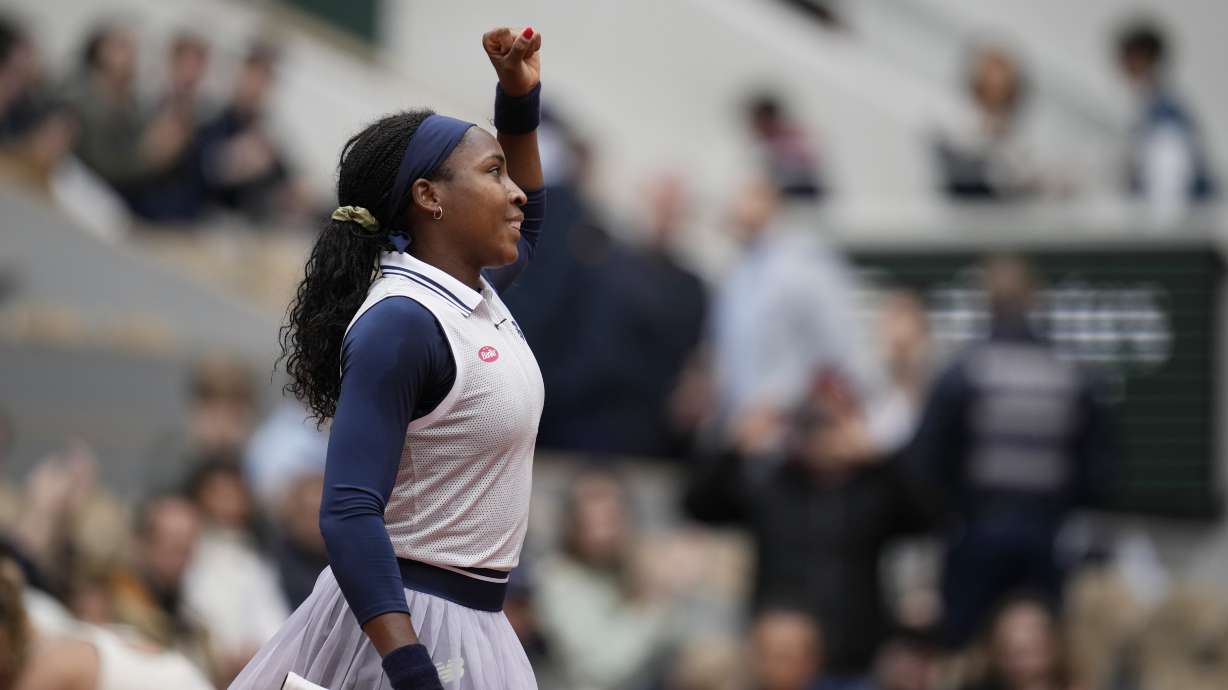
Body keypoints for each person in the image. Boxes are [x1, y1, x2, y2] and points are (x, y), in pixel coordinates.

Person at [230, 25, 547, 690]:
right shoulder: (402, 323)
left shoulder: (469, 295)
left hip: (473, 619)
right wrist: (408, 666)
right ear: (430, 196)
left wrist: (518, 101)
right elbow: (347, 512)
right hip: (402, 624)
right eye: (494, 174)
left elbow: (534, 216)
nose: (516, 191)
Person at [906, 256, 1115, 649]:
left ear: (984, 301)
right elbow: (1100, 470)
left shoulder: (965, 369)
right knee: (1036, 655)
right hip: (1045, 538)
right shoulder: (1070, 371)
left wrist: (952, 515)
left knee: (966, 650)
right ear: (1036, 300)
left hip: (975, 535)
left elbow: (926, 461)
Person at [1115, 18, 1216, 225]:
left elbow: (1169, 186)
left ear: (1141, 58)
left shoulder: (1165, 115)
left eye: (1127, 59)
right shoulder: (1149, 109)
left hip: (1180, 230)